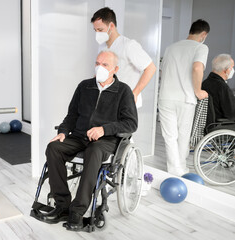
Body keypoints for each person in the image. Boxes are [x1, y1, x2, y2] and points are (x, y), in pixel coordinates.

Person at [38, 50, 137, 231]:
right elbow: (72, 115)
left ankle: (77, 211)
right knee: (53, 147)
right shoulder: (84, 86)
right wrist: (63, 131)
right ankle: (62, 206)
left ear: (115, 69)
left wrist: (104, 129)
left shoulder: (123, 91)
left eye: (105, 65)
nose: (100, 67)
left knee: (94, 151)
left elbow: (131, 123)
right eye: (97, 63)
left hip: (105, 141)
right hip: (79, 136)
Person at [158, 19, 210, 176]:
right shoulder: (201, 47)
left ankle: (175, 169)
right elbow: (197, 67)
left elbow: (163, 70)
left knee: (170, 136)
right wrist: (198, 90)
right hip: (186, 98)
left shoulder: (170, 48)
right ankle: (180, 168)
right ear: (203, 34)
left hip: (166, 96)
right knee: (183, 135)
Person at [91, 7, 156, 107]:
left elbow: (150, 68)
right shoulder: (102, 46)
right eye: (95, 30)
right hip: (107, 100)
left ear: (111, 26)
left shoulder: (128, 45)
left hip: (124, 101)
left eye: (100, 30)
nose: (97, 33)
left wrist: (135, 92)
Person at [202, 54, 235, 130]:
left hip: (209, 125)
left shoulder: (205, 83)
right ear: (226, 70)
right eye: (232, 67)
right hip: (221, 126)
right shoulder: (222, 87)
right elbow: (231, 114)